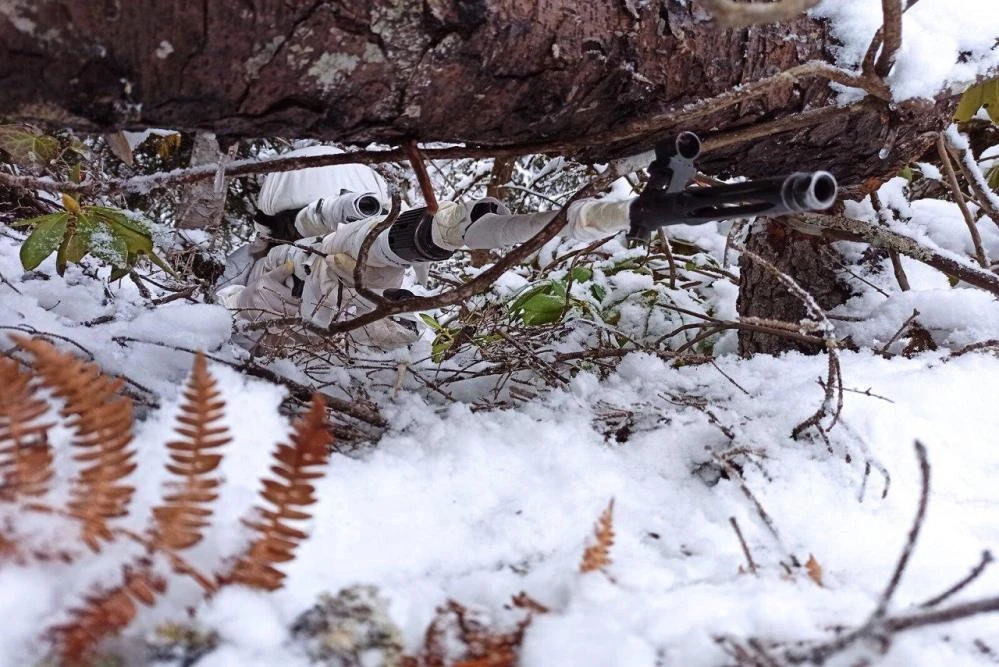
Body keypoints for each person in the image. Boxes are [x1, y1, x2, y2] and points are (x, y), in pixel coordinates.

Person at [216, 145, 634, 350]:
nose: (319, 239)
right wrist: (247, 310)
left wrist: (439, 234)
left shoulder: (373, 260)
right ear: (271, 228)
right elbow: (211, 324)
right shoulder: (247, 269)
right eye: (299, 223)